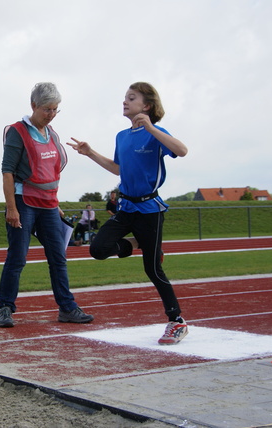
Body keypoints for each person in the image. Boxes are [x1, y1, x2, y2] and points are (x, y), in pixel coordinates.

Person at [67, 82, 189, 345]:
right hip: (126, 207)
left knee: (153, 269)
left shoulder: (156, 133)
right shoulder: (121, 136)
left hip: (149, 210)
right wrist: (89, 153)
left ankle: (176, 322)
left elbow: (181, 150)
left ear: (146, 106)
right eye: (124, 98)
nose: (125, 102)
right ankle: (139, 244)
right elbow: (117, 168)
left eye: (131, 98)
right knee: (98, 248)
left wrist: (152, 128)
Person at [0, 82, 94, 328]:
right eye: (47, 109)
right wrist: (11, 208)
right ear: (34, 106)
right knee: (17, 257)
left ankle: (68, 308)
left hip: (49, 205)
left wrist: (56, 205)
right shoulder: (17, 131)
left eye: (55, 110)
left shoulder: (52, 135)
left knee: (58, 258)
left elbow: (50, 174)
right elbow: (7, 172)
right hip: (23, 202)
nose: (51, 115)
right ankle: (5, 308)